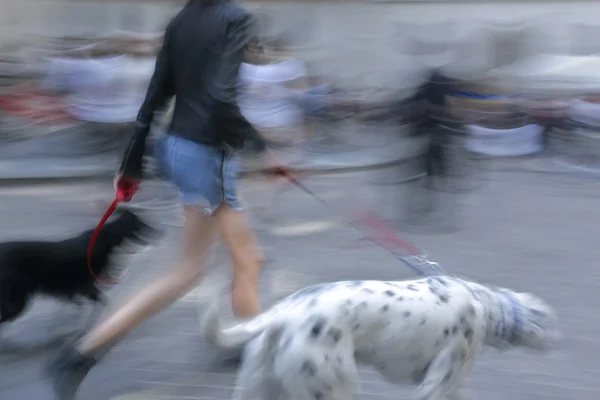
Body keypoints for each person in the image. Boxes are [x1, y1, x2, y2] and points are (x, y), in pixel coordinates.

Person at [47, 1, 283, 398]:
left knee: (248, 257)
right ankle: (80, 353)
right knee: (188, 270)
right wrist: (264, 148)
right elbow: (222, 97)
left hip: (178, 146)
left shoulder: (182, 19)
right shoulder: (236, 17)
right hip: (207, 153)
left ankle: (248, 342)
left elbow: (154, 96)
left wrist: (132, 161)